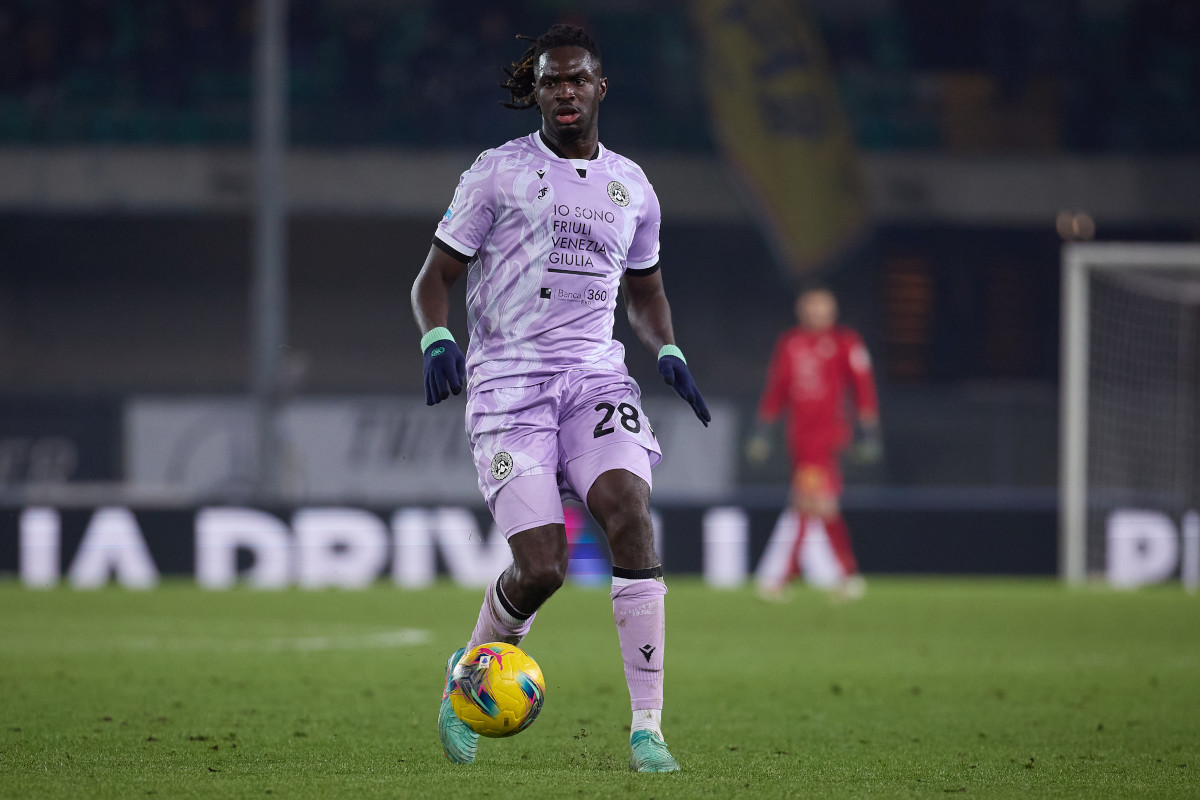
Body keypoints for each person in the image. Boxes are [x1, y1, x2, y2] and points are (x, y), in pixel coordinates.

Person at [410, 23, 710, 773]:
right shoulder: (498, 173)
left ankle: (648, 728)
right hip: (510, 388)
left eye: (577, 79)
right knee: (542, 567)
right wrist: (436, 339)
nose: (565, 92)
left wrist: (666, 346)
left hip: (594, 379)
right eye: (551, 82)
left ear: (600, 87)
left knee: (629, 513)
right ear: (536, 92)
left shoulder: (633, 186)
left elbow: (646, 291)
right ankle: (470, 679)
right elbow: (433, 279)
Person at [746, 286, 880, 600]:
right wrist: (762, 430)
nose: (816, 313)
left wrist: (868, 430)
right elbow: (776, 389)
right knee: (820, 505)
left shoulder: (845, 342)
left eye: (822, 307)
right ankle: (848, 576)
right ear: (801, 310)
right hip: (799, 438)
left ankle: (786, 578)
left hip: (828, 437)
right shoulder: (790, 343)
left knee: (806, 502)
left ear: (832, 312)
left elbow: (863, 388)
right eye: (811, 307)